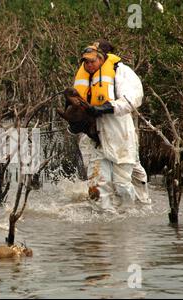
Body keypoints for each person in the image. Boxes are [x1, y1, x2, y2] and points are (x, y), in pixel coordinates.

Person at [69, 40, 151, 213]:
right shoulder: (85, 77)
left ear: (101, 58)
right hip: (94, 137)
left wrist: (103, 108)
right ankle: (104, 223)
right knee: (96, 186)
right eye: (86, 62)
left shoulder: (121, 72)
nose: (89, 65)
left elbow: (132, 99)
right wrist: (75, 121)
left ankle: (129, 218)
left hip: (120, 135)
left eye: (93, 61)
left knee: (122, 185)